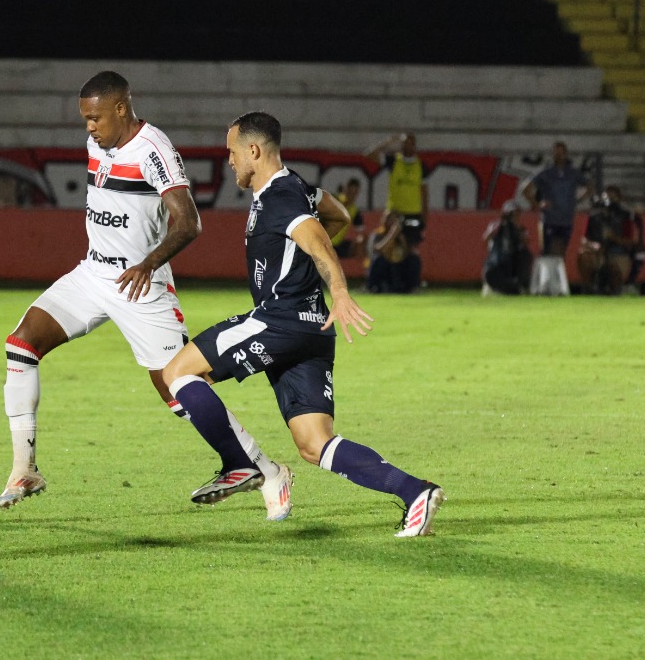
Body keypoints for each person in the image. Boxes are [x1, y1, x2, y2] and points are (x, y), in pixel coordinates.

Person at [161, 112, 444, 538]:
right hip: (312, 330)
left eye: (232, 153)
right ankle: (414, 492)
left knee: (176, 373)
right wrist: (308, 269)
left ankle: (246, 465)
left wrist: (341, 290)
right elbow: (338, 215)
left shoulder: (279, 195)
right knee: (315, 443)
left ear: (254, 151)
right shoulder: (298, 188)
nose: (229, 161)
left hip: (281, 319)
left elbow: (316, 236)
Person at [0, 70, 203, 508]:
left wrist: (148, 264)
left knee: (181, 391)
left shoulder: (154, 150)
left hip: (140, 285)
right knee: (21, 345)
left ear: (121, 109)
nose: (88, 127)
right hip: (92, 276)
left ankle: (260, 468)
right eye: (84, 119)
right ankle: (24, 469)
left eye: (95, 118)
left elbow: (189, 223)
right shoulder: (98, 143)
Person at [366, 132, 428, 289]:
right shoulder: (394, 162)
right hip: (394, 214)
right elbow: (369, 154)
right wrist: (387, 142)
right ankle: (384, 284)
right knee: (389, 250)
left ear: (415, 145)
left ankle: (409, 285)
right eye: (404, 143)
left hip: (413, 215)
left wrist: (424, 218)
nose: (407, 146)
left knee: (409, 250)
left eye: (410, 143)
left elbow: (424, 193)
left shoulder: (421, 166)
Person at [522, 141, 592, 258]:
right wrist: (537, 204)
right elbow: (526, 189)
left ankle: (557, 274)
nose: (558, 156)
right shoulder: (546, 173)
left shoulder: (573, 173)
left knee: (561, 252)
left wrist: (578, 199)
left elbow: (590, 186)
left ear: (566, 154)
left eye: (561, 153)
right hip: (549, 219)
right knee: (547, 251)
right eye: (556, 153)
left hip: (566, 219)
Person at [578, 185, 638, 294]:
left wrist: (614, 238)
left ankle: (615, 291)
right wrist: (595, 246)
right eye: (607, 197)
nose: (610, 201)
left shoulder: (626, 216)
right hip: (598, 252)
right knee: (584, 258)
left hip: (617, 251)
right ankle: (589, 289)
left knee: (613, 269)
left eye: (613, 197)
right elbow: (585, 240)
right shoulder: (595, 217)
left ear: (619, 198)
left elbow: (631, 241)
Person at [482, 200, 533, 295]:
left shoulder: (521, 229)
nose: (515, 216)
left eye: (517, 214)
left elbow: (526, 241)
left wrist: (515, 229)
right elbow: (485, 239)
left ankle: (519, 286)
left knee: (525, 255)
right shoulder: (495, 226)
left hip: (513, 263)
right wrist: (498, 227)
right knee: (491, 270)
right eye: (512, 214)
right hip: (497, 262)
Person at [331, 178, 365, 259]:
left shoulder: (355, 211)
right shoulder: (332, 199)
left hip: (337, 246)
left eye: (354, 193)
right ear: (345, 190)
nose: (351, 195)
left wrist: (360, 240)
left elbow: (362, 233)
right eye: (349, 191)